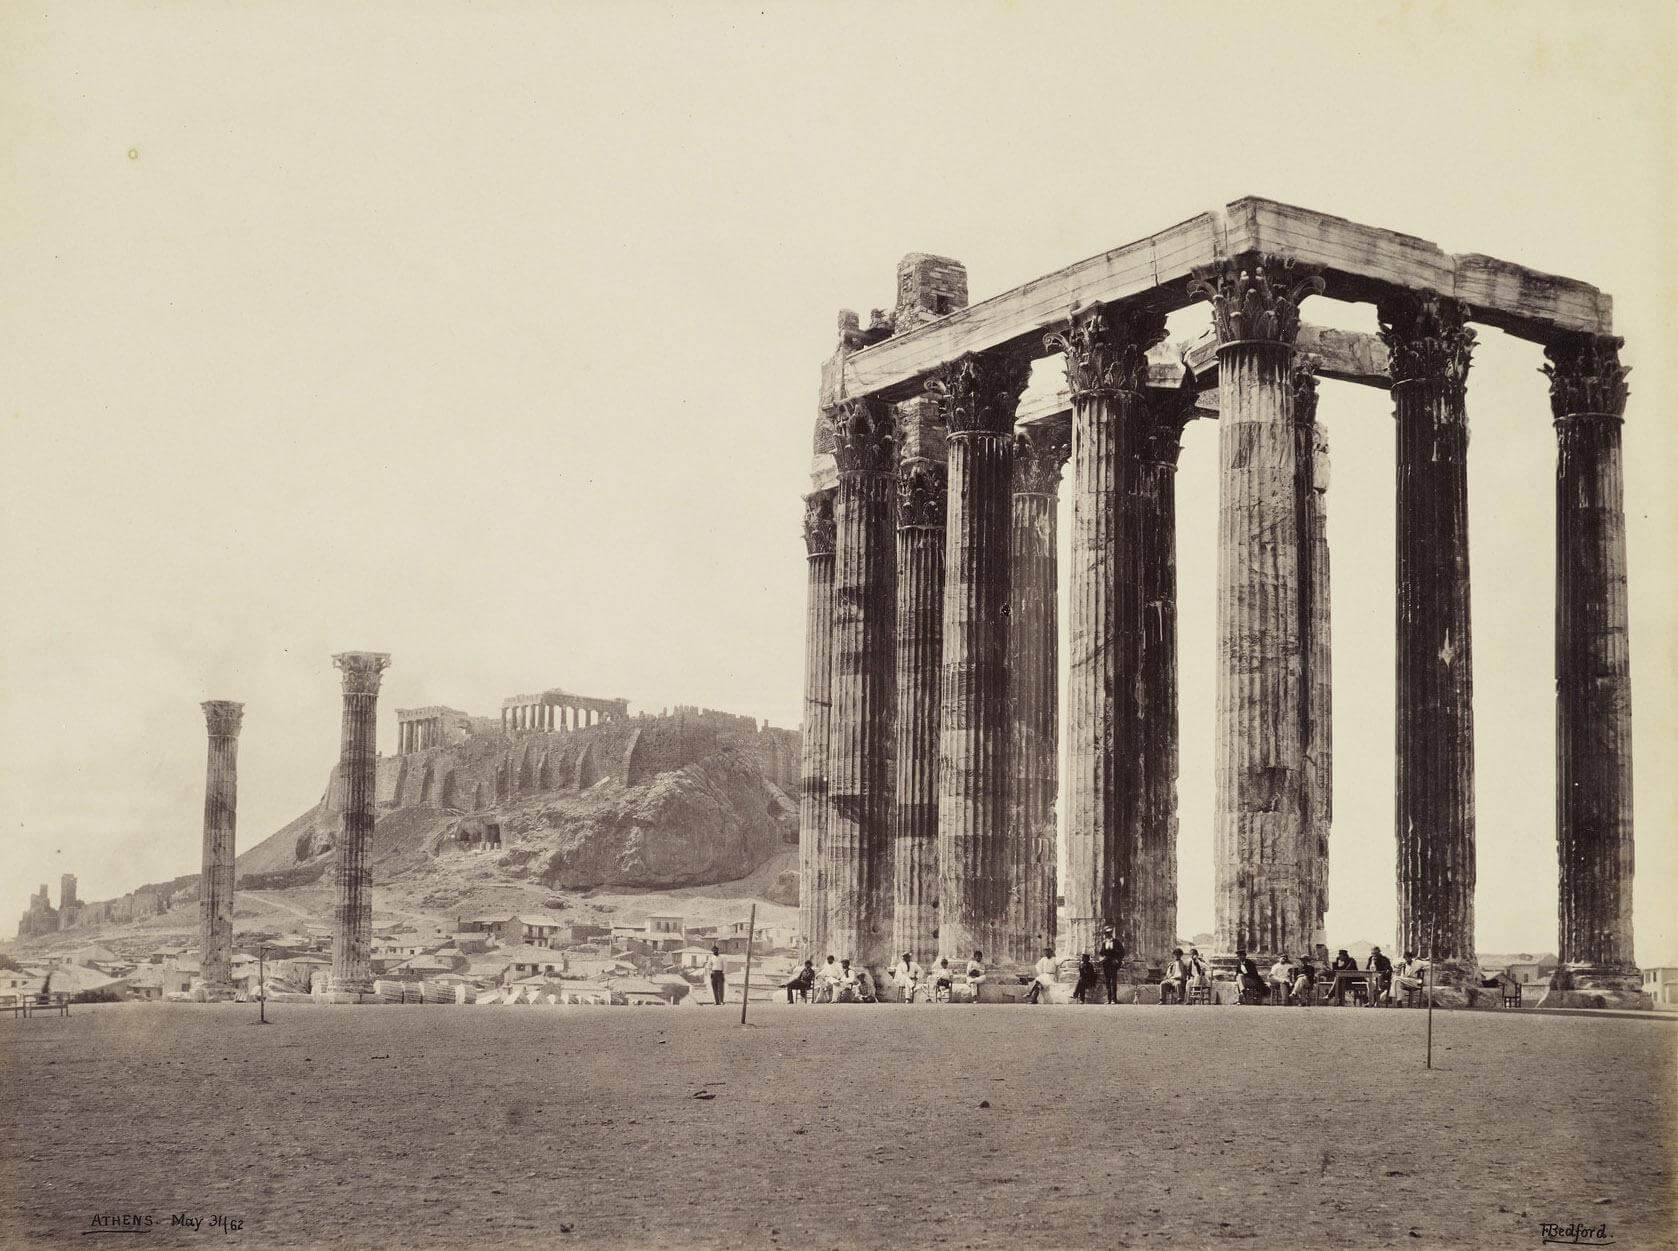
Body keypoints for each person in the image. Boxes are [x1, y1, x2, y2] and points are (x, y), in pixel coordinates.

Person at [1097, 926, 1126, 1005]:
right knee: (1107, 981)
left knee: (1113, 981)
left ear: (1111, 934)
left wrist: (1117, 959)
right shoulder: (1104, 942)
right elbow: (1101, 953)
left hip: (1113, 963)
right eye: (1106, 934)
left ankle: (1114, 999)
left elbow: (1122, 952)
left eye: (1108, 933)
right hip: (1106, 963)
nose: (1107, 935)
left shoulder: (1116, 942)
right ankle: (1109, 999)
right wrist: (1102, 959)